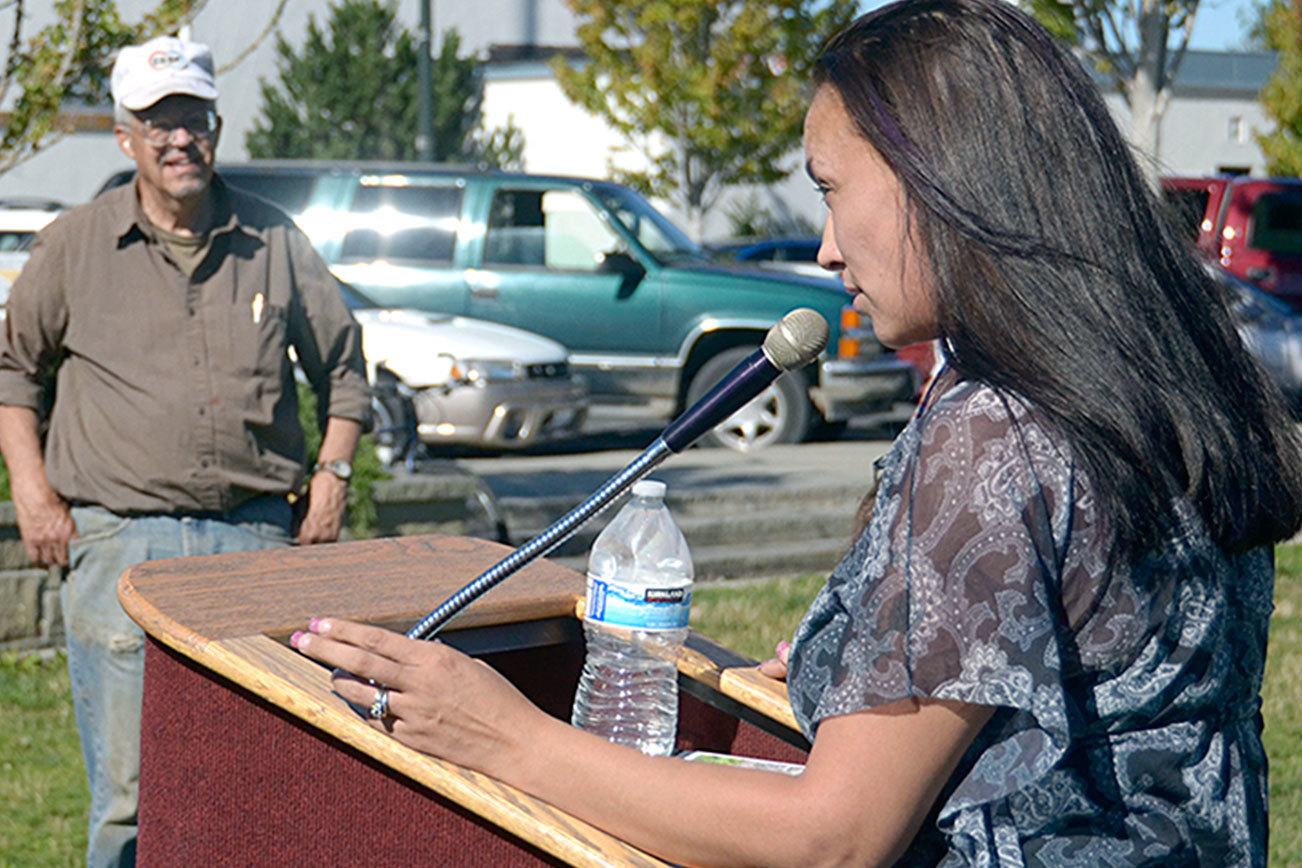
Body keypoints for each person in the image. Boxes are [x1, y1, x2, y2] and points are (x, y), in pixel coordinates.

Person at [289, 1, 1302, 863]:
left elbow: (838, 836)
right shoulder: (1161, 374)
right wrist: (846, 669)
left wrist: (504, 737)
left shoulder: (996, 431)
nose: (821, 245)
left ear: (940, 181)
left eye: (828, 186)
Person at [0, 35, 370, 867]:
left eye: (194, 120)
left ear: (217, 126)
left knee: (261, 781)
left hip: (254, 548)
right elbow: (13, 374)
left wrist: (334, 472)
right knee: (130, 802)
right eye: (158, 123)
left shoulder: (275, 243)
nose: (179, 139)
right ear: (125, 136)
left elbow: (345, 370)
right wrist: (32, 490)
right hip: (120, 549)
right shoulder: (73, 246)